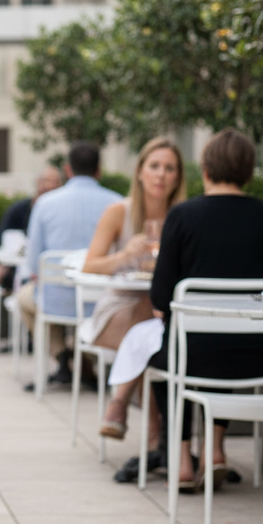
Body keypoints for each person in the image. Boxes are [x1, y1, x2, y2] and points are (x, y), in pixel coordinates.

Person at [149, 128, 263, 488]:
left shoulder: (182, 216)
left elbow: (161, 297)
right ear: (249, 172)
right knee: (223, 332)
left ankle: (182, 460)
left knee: (169, 351)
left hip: (195, 354)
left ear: (205, 170)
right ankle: (215, 450)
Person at [81, 137, 186, 440]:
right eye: (154, 166)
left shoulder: (183, 216)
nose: (161, 174)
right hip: (117, 311)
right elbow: (90, 265)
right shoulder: (119, 212)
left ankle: (123, 407)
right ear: (140, 171)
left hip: (160, 313)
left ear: (178, 176)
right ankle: (155, 435)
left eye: (170, 168)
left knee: (153, 328)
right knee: (151, 320)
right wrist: (125, 255)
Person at [19, 142, 123, 380]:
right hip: (101, 301)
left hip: (55, 300)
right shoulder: (117, 203)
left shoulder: (45, 203)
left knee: (25, 298)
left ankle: (62, 357)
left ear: (68, 170)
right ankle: (82, 358)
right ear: (99, 170)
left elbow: (33, 264)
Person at [0, 166, 62, 291]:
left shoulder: (62, 212)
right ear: (38, 183)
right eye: (45, 181)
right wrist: (1, 263)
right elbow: (2, 237)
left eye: (53, 182)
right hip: (21, 268)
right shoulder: (19, 209)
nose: (47, 185)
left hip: (55, 270)